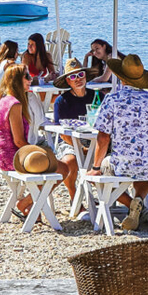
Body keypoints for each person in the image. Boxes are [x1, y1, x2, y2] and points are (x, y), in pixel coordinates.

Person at [90, 55, 148, 232]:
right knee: (146, 170)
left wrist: (96, 167)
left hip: (124, 164)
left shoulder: (112, 100)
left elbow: (103, 138)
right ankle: (138, 201)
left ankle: (130, 205)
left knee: (99, 172)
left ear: (121, 78)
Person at [0, 69, 38, 218]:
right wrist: (40, 153)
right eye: (27, 77)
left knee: (52, 165)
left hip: (4, 156)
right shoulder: (15, 104)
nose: (31, 80)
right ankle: (24, 203)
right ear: (17, 80)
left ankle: (32, 210)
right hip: (14, 158)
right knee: (60, 168)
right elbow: (19, 141)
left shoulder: (4, 99)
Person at [48, 66, 91, 198]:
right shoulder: (62, 101)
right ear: (68, 81)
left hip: (95, 140)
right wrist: (81, 148)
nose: (77, 79)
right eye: (73, 77)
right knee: (70, 161)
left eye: (80, 75)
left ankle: (105, 200)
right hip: (68, 141)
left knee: (106, 161)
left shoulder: (97, 96)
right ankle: (74, 197)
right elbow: (62, 133)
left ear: (86, 76)